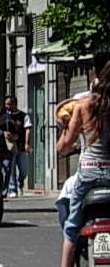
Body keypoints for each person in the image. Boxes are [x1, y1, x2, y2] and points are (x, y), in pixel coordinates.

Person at [59, 60, 110, 267]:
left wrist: (64, 135)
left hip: (88, 174)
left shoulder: (83, 106)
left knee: (71, 227)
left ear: (95, 74)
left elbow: (65, 146)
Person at [4, 94, 32, 197]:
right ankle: (13, 189)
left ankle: (20, 183)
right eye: (6, 104)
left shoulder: (24, 116)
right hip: (10, 147)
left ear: (14, 104)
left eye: (8, 104)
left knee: (23, 170)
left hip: (20, 146)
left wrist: (27, 144)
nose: (7, 106)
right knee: (11, 169)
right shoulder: (5, 117)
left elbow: (28, 130)